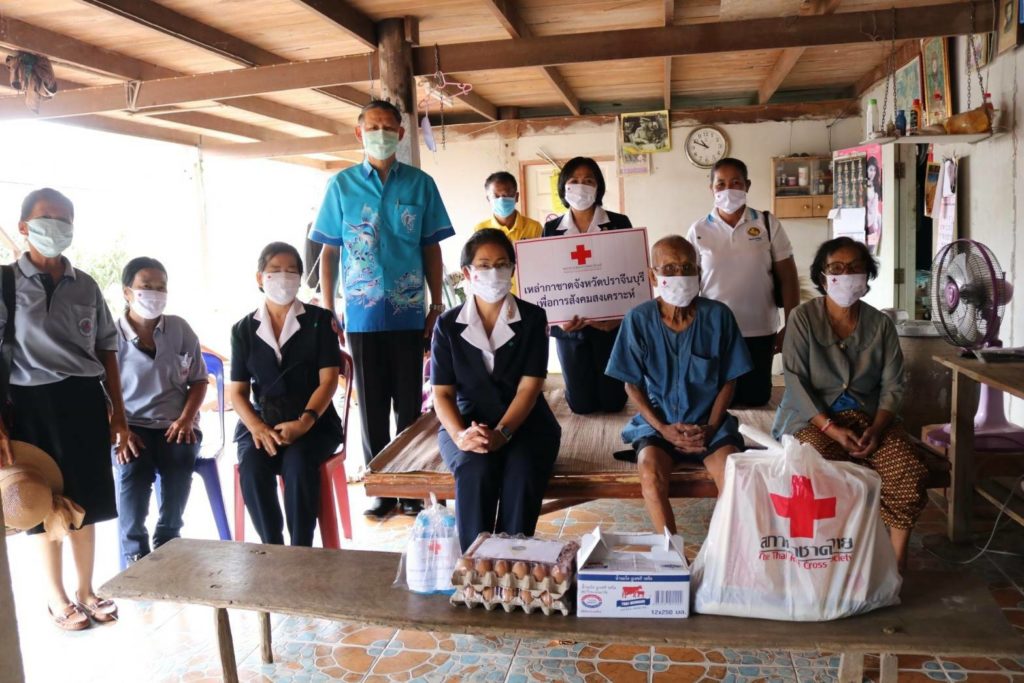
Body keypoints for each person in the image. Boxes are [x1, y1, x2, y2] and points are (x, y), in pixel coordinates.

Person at [310, 99, 454, 519]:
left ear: (401, 134)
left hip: (410, 313)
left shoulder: (421, 184)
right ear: (359, 133)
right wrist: (328, 306)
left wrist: (436, 304)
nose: (381, 134)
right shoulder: (341, 185)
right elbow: (329, 251)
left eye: (389, 127)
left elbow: (431, 248)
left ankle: (410, 486)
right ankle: (380, 488)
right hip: (362, 314)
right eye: (373, 127)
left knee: (409, 403)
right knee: (371, 406)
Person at [0, 188, 130, 630]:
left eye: (64, 219)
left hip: (83, 400)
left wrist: (118, 412)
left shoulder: (86, 285)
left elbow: (107, 348)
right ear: (24, 227)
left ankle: (87, 590)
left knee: (86, 499)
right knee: (40, 498)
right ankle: (56, 598)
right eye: (46, 217)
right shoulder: (6, 283)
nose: (55, 226)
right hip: (29, 404)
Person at [772, 237, 928, 571]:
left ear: (867, 274)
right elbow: (795, 381)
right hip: (813, 419)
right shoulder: (802, 318)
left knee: (907, 469)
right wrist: (831, 428)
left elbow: (893, 385)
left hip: (870, 420)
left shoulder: (880, 325)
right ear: (823, 276)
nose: (846, 275)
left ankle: (896, 565)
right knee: (821, 469)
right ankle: (832, 560)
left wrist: (877, 429)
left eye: (855, 267)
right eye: (837, 268)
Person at [606, 236, 751, 534]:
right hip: (658, 423)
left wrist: (710, 427)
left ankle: (718, 551)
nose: (680, 275)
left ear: (699, 271)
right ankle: (672, 553)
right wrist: (663, 428)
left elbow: (730, 380)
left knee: (734, 479)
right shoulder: (638, 319)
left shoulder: (718, 316)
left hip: (710, 423)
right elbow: (631, 385)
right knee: (650, 475)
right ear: (652, 276)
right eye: (669, 269)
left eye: (687, 268)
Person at [431, 229, 560, 551]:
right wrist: (461, 436)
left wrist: (503, 433)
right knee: (474, 468)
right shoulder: (447, 325)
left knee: (523, 470)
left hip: (526, 422)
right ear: (467, 273)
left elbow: (529, 387)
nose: (494, 273)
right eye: (484, 265)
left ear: (513, 269)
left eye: (502, 264)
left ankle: (512, 560)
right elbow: (442, 394)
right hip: (467, 421)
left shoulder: (532, 318)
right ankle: (475, 563)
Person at [228, 242, 344, 546]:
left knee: (298, 462)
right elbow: (237, 392)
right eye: (275, 270)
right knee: (252, 466)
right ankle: (272, 546)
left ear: (300, 278)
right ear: (259, 278)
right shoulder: (242, 330)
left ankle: (300, 548)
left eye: (291, 271)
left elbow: (329, 380)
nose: (283, 277)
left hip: (314, 422)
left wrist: (304, 422)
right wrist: (257, 427)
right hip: (263, 422)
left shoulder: (320, 320)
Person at [114, 257, 208, 567]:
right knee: (133, 468)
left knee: (179, 458)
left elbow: (198, 381)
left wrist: (186, 419)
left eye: (161, 287)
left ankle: (168, 537)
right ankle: (134, 551)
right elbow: (101, 391)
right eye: (146, 286)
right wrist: (120, 431)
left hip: (175, 421)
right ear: (127, 292)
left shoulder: (179, 329)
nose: (154, 294)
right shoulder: (110, 335)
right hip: (130, 424)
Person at [686, 157, 800, 407]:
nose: (728, 189)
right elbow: (689, 283)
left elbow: (789, 278)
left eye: (736, 182)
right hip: (715, 330)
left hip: (759, 328)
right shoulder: (698, 230)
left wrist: (791, 324)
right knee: (718, 402)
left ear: (747, 185)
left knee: (756, 398)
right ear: (711, 188)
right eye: (721, 184)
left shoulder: (767, 223)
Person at [543, 156, 632, 414]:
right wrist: (557, 320)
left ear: (599, 187)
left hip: (610, 326)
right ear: (563, 188)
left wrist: (619, 318)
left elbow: (632, 272)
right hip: (570, 328)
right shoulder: (551, 229)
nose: (581, 186)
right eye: (574, 181)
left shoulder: (619, 223)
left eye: (589, 181)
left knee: (613, 403)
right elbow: (546, 280)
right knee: (581, 406)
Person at [474, 171, 542, 295]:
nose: (501, 200)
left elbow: (541, 263)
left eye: (506, 195)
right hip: (494, 294)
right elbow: (478, 268)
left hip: (529, 292)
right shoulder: (480, 229)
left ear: (516, 197)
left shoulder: (534, 227)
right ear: (488, 199)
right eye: (496, 196)